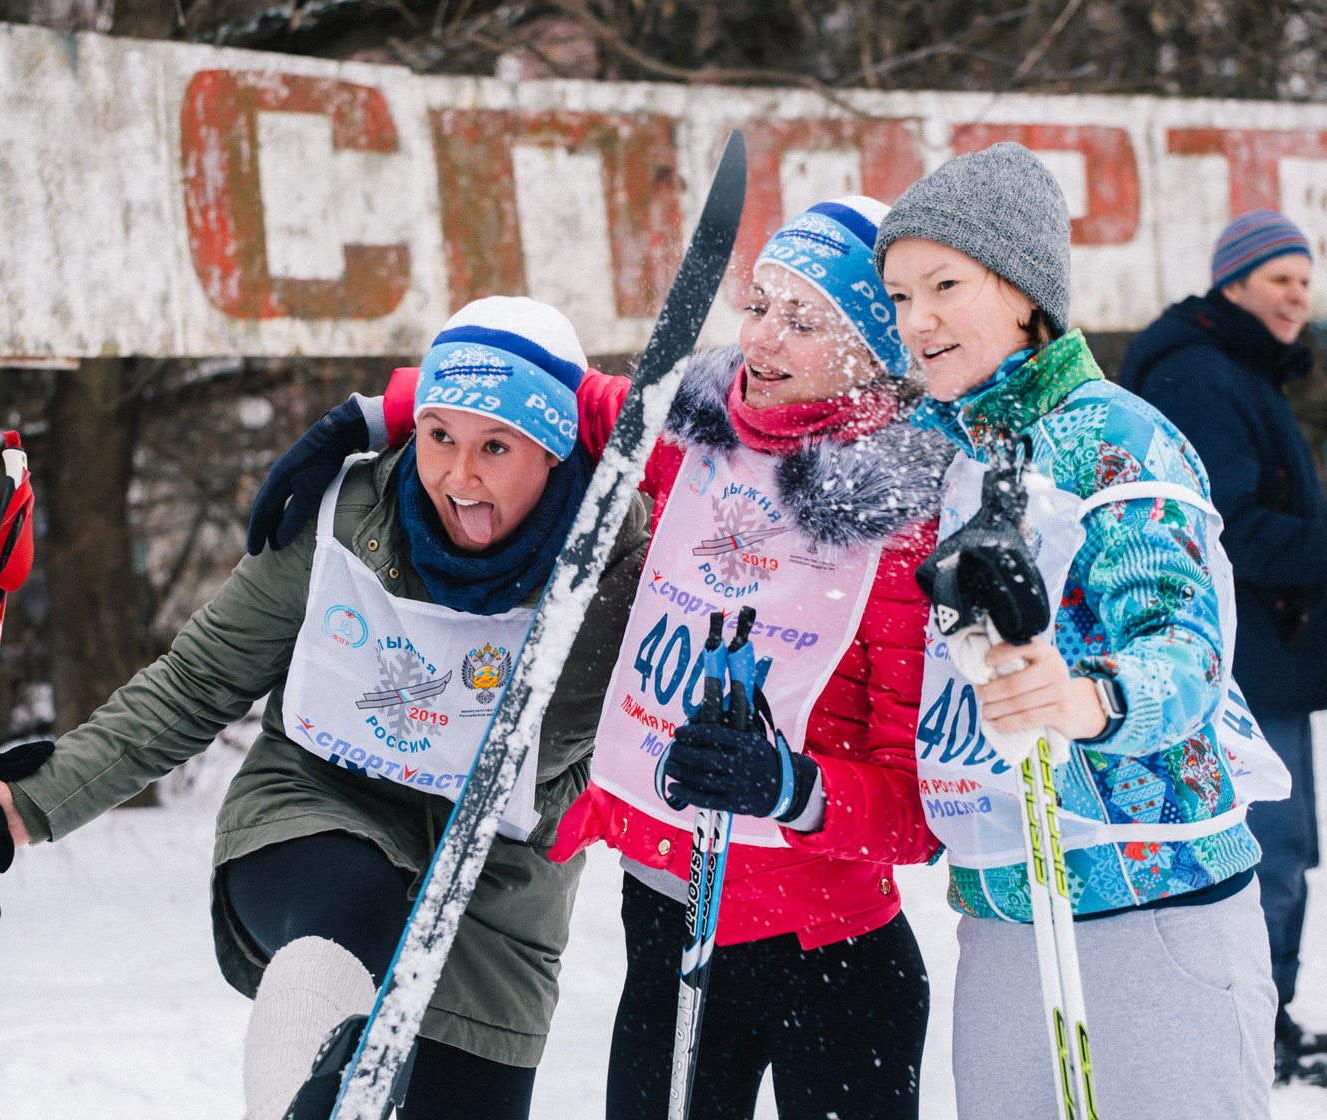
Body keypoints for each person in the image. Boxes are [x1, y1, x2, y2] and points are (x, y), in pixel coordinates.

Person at [250, 198, 950, 1119]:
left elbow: (919, 814)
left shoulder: (904, 532)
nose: (763, 338)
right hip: (667, 919)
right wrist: (372, 414)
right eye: (759, 304)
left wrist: (792, 787)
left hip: (829, 961)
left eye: (804, 318)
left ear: (870, 346)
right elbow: (540, 395)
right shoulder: (692, 433)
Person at [0, 297, 652, 1120]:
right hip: (316, 814)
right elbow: (198, 681)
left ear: (558, 452)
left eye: (496, 447)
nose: (459, 476)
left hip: (496, 885)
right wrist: (29, 804)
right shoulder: (344, 517)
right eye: (438, 436)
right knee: (357, 905)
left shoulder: (620, 562)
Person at [875, 141, 1286, 1119]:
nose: (915, 320)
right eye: (897, 297)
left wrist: (1087, 696)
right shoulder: (942, 453)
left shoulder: (1117, 435)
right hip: (1009, 903)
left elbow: (1186, 646)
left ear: (1024, 292)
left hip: (1153, 902)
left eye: (943, 284)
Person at [1118, 209, 1327, 1081]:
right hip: (1231, 671)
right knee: (1265, 855)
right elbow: (1223, 533)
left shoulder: (1237, 368)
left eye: (1307, 282)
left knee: (1279, 853)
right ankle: (1250, 1025)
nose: (1299, 297)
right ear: (1233, 280)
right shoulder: (1203, 377)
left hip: (1259, 665)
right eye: (1282, 277)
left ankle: (1264, 1017)